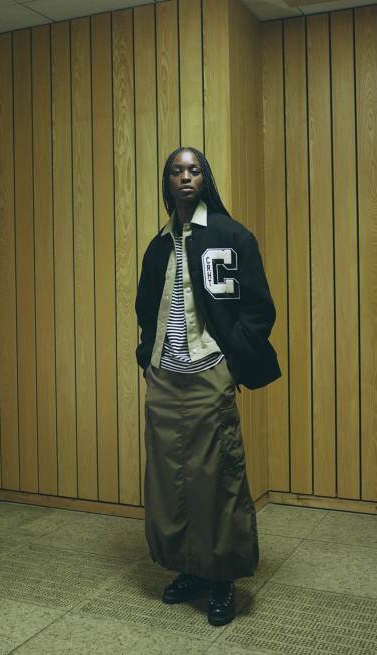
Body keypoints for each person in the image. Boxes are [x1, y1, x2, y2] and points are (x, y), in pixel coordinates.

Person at [135, 146, 281, 626]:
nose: (185, 177)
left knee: (216, 479)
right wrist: (147, 358)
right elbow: (144, 311)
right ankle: (190, 568)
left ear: (205, 179)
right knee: (171, 480)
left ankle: (221, 577)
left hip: (208, 373)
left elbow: (259, 309)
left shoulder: (231, 235)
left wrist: (230, 363)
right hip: (165, 377)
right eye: (177, 171)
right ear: (167, 181)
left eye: (194, 170)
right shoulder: (158, 246)